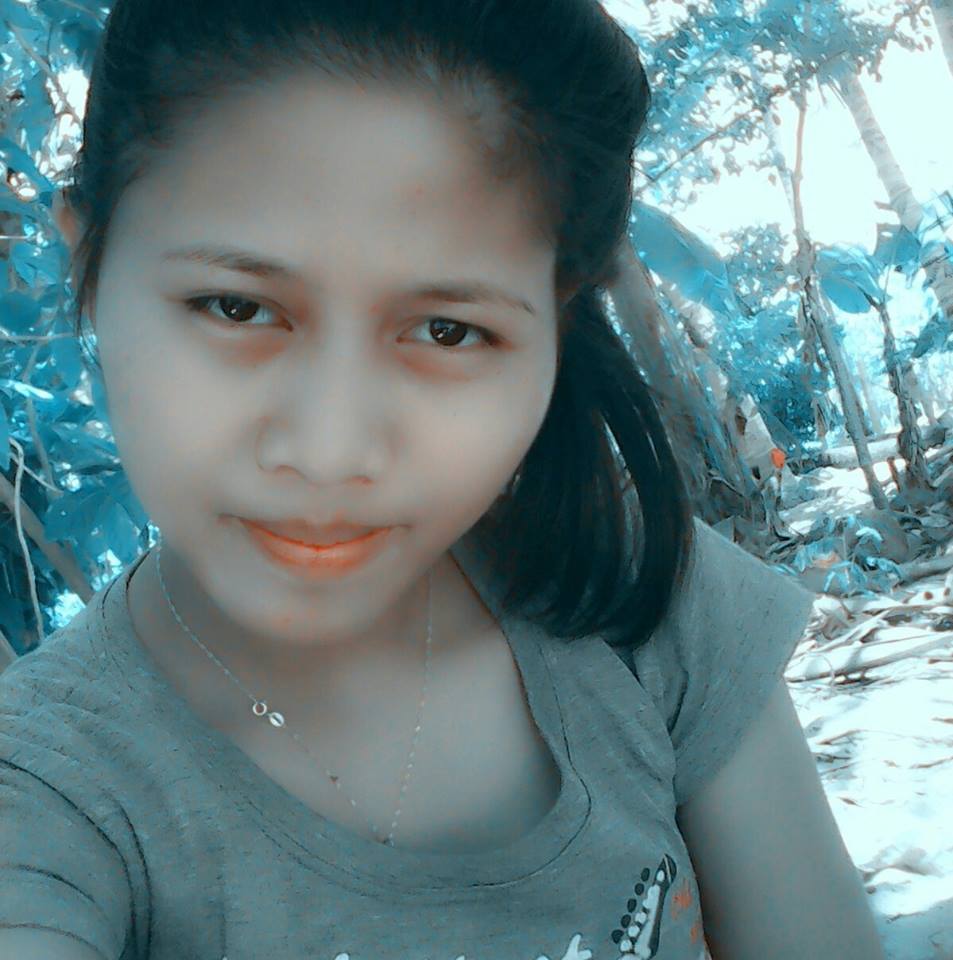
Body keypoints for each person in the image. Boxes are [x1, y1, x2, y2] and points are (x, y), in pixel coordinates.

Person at [0, 1, 886, 958]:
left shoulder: (639, 602)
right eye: (237, 306)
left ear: (554, 326)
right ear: (87, 262)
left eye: (447, 331)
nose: (331, 451)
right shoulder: (44, 793)